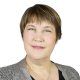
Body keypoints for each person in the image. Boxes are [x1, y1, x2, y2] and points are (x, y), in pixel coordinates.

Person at [0, 4, 80, 80]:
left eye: (47, 30)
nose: (38, 38)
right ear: (22, 34)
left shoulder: (72, 74)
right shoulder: (3, 76)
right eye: (31, 29)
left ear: (57, 37)